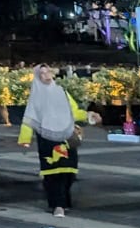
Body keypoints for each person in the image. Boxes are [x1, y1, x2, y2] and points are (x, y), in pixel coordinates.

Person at [18, 64, 88, 217]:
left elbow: (73, 111)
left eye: (48, 71)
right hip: (47, 138)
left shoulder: (61, 91)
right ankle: (58, 205)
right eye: (42, 73)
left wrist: (88, 116)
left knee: (69, 171)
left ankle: (64, 201)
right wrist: (25, 138)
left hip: (66, 136)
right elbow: (30, 117)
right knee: (52, 173)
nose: (46, 75)